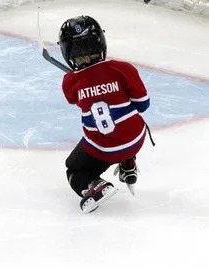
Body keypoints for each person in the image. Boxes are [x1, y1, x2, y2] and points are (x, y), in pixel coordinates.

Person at [58, 15, 150, 213]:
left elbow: (74, 99)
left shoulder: (70, 82)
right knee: (127, 122)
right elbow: (143, 105)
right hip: (135, 140)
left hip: (104, 149)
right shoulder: (123, 69)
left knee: (73, 169)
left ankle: (95, 186)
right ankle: (128, 162)